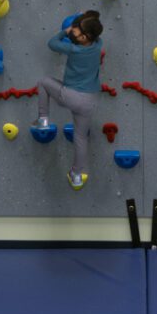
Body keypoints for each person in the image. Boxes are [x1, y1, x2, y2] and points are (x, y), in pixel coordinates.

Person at [34, 10, 104, 190]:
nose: (73, 31)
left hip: (71, 95)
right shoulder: (98, 44)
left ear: (84, 37)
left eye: (76, 31)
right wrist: (84, 18)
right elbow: (94, 26)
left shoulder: (73, 49)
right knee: (80, 138)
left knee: (43, 82)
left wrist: (64, 32)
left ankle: (43, 119)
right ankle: (77, 175)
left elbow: (52, 43)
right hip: (89, 101)